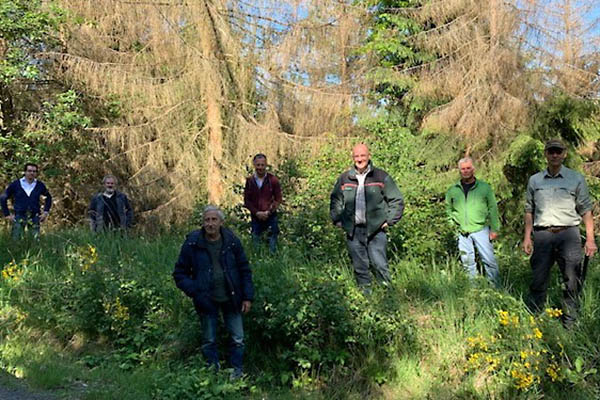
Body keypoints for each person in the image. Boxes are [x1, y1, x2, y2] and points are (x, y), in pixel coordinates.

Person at [522, 139, 597, 327]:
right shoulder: (535, 180)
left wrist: (590, 239)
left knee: (572, 280)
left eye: (558, 151)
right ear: (546, 154)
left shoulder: (576, 179)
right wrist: (527, 237)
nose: (555, 155)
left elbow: (586, 211)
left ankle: (570, 323)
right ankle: (536, 321)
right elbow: (529, 210)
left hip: (569, 235)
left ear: (564, 154)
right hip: (542, 235)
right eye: (551, 151)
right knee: (538, 279)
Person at [173, 205, 254, 378]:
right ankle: (213, 372)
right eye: (207, 220)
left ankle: (236, 372)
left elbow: (244, 269)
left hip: (232, 297)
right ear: (202, 223)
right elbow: (179, 273)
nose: (210, 224)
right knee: (209, 339)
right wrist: (195, 290)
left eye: (214, 219)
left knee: (238, 338)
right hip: (206, 299)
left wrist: (247, 297)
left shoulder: (232, 241)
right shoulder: (193, 243)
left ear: (221, 222)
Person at [330, 143, 404, 289]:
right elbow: (336, 200)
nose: (359, 159)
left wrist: (389, 221)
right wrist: (337, 219)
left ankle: (387, 297)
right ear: (353, 158)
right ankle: (366, 298)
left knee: (380, 265)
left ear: (369, 156)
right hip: (353, 231)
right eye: (356, 156)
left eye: (362, 156)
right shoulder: (345, 178)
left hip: (376, 230)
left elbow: (396, 200)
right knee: (360, 267)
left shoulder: (381, 176)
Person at [445, 157, 501, 286]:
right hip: (462, 232)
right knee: (468, 262)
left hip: (480, 229)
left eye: (468, 168)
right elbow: (448, 208)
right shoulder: (453, 190)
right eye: (463, 169)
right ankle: (473, 289)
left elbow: (493, 208)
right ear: (459, 170)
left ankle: (496, 289)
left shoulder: (484, 188)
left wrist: (494, 229)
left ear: (473, 169)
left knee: (489, 261)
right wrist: (452, 224)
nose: (466, 171)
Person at [0, 163, 52, 239]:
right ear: (25, 172)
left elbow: (49, 197)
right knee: (16, 239)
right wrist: (7, 214)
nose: (32, 173)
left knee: (35, 240)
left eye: (34, 171)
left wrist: (45, 212)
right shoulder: (16, 184)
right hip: (19, 215)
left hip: (34, 216)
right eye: (29, 171)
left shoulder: (40, 185)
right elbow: (3, 197)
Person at [243, 153, 282, 253]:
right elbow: (247, 201)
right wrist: (257, 213)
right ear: (254, 165)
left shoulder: (273, 180)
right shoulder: (250, 181)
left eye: (262, 165)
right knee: (256, 244)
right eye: (258, 165)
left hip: (271, 217)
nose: (260, 167)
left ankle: (273, 264)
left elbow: (278, 199)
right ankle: (257, 265)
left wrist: (269, 212)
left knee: (272, 245)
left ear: (266, 165)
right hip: (256, 218)